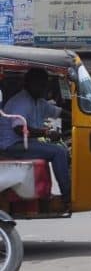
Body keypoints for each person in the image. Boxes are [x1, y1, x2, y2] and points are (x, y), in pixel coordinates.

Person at [0, 68, 71, 203]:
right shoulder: (22, 101)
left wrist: (80, 118)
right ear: (29, 84)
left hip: (25, 143)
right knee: (58, 152)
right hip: (12, 145)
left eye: (45, 84)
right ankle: (67, 194)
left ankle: (47, 193)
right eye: (40, 84)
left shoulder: (39, 101)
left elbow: (59, 112)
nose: (43, 88)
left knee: (62, 149)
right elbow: (19, 129)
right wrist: (46, 133)